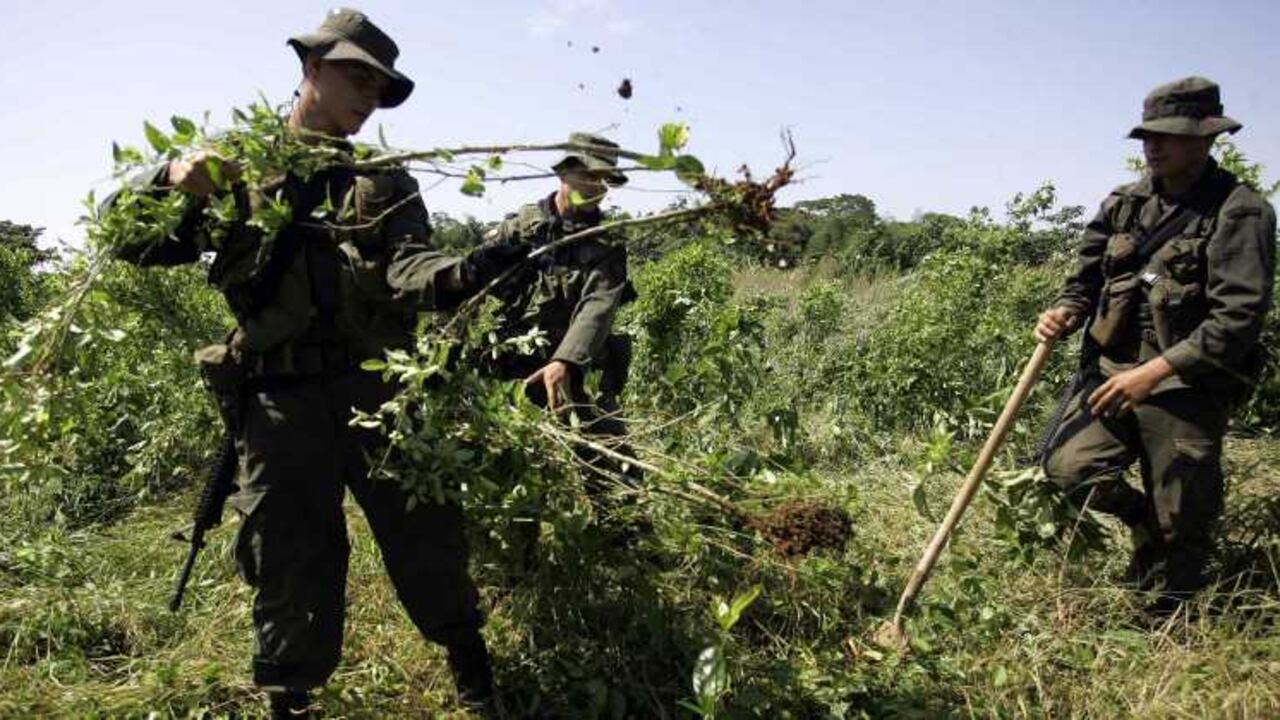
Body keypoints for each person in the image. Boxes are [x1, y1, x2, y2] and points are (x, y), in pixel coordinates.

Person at [109, 9, 520, 716]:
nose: (367, 97)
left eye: (379, 86)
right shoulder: (233, 164)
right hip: (279, 396)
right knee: (289, 556)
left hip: (379, 391)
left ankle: (473, 674)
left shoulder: (382, 180)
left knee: (427, 533)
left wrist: (461, 272)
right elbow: (129, 239)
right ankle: (290, 699)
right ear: (310, 68)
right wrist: (169, 179)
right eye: (355, 77)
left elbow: (408, 265)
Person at [1036, 77, 1276, 611]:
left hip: (1187, 385)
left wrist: (1155, 373)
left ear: (1207, 138)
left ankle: (1171, 620)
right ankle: (1141, 524)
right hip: (1113, 371)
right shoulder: (1123, 204)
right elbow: (1085, 280)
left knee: (1183, 514)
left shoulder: (1241, 212)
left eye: (1169, 135)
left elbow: (1237, 319)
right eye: (1148, 135)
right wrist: (1066, 311)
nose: (1154, 145)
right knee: (1067, 468)